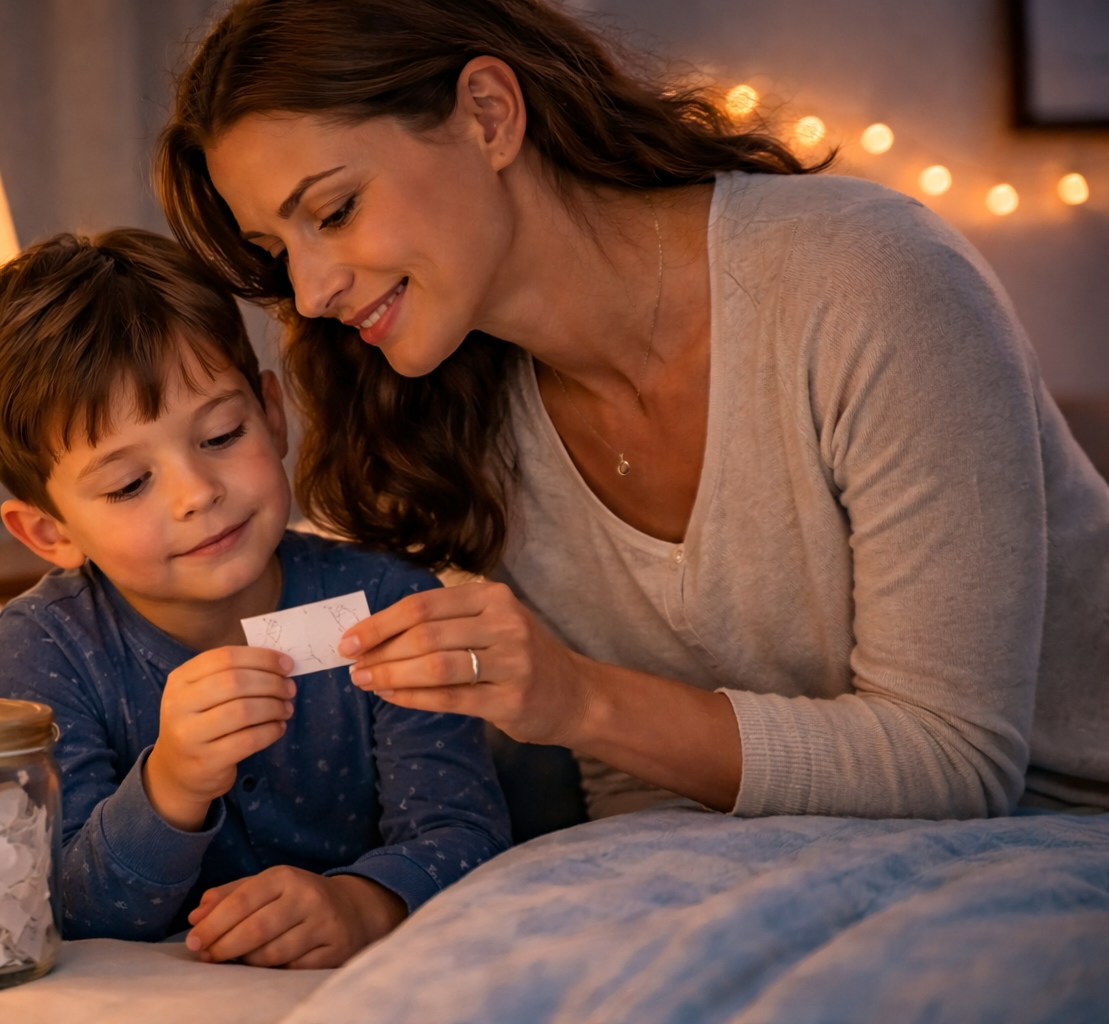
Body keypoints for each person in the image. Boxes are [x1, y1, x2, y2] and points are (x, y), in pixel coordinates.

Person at [156, 0, 1109, 820]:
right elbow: (638, 795)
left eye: (333, 210)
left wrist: (580, 699)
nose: (313, 290)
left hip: (1061, 828)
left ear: (489, 115)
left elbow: (958, 761)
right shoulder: (451, 417)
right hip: (787, 856)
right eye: (276, 249)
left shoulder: (866, 283)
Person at [0, 228, 510, 969]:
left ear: (272, 415)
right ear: (49, 532)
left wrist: (366, 904)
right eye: (129, 484)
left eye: (221, 435)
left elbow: (470, 837)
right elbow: (64, 904)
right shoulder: (50, 644)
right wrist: (171, 782)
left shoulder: (387, 599)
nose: (197, 494)